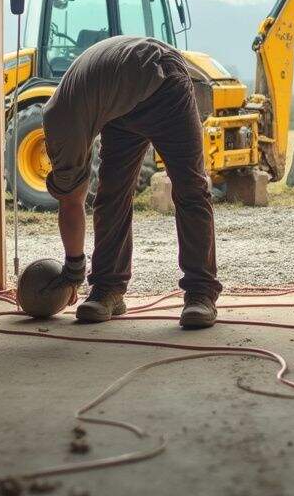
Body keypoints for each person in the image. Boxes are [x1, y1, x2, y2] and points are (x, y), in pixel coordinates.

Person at [38, 35, 221, 328]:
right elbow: (72, 201)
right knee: (111, 194)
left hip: (163, 85)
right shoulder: (63, 122)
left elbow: (70, 204)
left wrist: (73, 272)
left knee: (190, 188)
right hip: (119, 107)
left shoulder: (65, 130)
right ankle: (108, 289)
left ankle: (201, 293)